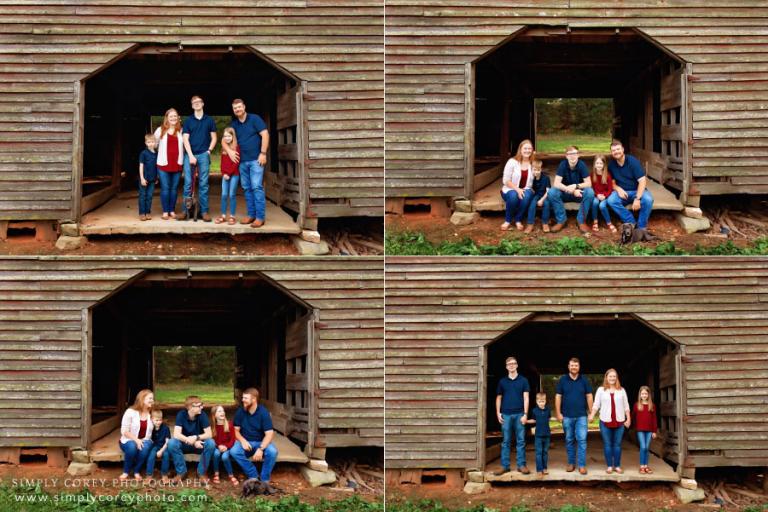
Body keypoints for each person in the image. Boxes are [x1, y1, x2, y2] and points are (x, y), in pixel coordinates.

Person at [223, 99, 269, 228]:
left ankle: (260, 217)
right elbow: (223, 140)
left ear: (244, 106)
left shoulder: (255, 119)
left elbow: (265, 134)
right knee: (247, 188)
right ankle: (251, 215)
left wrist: (263, 153)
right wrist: (229, 151)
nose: (237, 109)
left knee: (256, 187)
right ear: (233, 110)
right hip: (241, 162)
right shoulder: (234, 125)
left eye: (239, 107)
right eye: (235, 108)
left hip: (256, 160)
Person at [229, 387, 279, 489]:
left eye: (246, 398)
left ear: (254, 399)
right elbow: (235, 430)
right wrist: (242, 441)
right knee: (234, 451)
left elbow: (269, 434)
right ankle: (253, 476)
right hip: (246, 442)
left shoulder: (263, 412)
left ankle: (264, 480)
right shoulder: (240, 411)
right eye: (243, 397)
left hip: (260, 442)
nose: (242, 400)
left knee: (272, 452)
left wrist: (261, 449)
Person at [178, 95, 217, 222]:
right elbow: (185, 139)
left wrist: (209, 151)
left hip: (203, 155)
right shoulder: (188, 121)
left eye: (198, 102)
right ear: (192, 105)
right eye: (194, 102)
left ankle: (204, 211)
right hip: (190, 155)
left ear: (203, 103)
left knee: (204, 184)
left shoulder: (209, 120)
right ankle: (185, 211)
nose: (196, 104)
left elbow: (214, 138)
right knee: (188, 183)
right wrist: (190, 155)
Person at [606, 140, 654, 237]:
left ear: (623, 149)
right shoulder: (611, 165)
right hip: (623, 192)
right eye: (613, 150)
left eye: (618, 149)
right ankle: (631, 222)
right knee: (611, 200)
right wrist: (618, 189)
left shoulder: (632, 162)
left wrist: (637, 198)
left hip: (636, 190)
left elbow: (642, 181)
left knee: (648, 199)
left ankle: (641, 227)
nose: (616, 152)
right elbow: (612, 183)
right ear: (611, 153)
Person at [555, 357, 594, 475]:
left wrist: (591, 413)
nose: (574, 367)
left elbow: (589, 396)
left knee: (582, 440)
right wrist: (558, 413)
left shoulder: (584, 380)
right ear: (568, 366)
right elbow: (558, 396)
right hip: (567, 416)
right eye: (572, 365)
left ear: (579, 367)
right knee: (569, 440)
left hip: (582, 416)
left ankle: (582, 466)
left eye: (576, 365)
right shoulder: (562, 380)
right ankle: (571, 463)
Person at [493, 356, 531, 475]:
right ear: (506, 366)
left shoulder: (523, 380)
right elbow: (498, 398)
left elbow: (526, 398)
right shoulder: (502, 381)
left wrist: (525, 414)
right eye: (509, 364)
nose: (512, 365)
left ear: (517, 365)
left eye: (513, 363)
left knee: (521, 441)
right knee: (506, 441)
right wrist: (498, 413)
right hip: (506, 415)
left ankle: (521, 465)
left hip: (520, 414)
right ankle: (505, 466)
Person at [167, 395, 216, 484]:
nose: (202, 407)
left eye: (202, 404)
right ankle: (181, 472)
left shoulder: (202, 415)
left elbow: (209, 434)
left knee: (211, 443)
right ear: (191, 407)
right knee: (172, 443)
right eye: (199, 405)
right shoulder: (181, 414)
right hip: (185, 444)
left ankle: (201, 472)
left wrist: (196, 438)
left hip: (199, 444)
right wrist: (191, 441)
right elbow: (176, 434)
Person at [589, 369, 631, 474]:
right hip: (605, 421)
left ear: (616, 378)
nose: (612, 378)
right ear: (606, 378)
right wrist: (592, 415)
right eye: (610, 376)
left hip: (619, 421)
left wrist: (628, 418)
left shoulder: (622, 390)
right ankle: (609, 466)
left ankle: (617, 465)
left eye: (614, 376)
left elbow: (626, 406)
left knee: (617, 445)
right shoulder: (600, 390)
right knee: (607, 444)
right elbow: (596, 404)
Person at [548, 146, 595, 233]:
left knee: (590, 192)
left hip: (579, 194)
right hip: (566, 193)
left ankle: (581, 221)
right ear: (566, 156)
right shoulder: (563, 164)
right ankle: (561, 220)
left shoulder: (581, 165)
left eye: (575, 154)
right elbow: (556, 183)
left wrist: (576, 186)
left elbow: (588, 183)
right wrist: (571, 190)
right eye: (570, 154)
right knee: (552, 192)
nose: (572, 156)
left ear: (578, 155)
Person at [154, 108, 184, 220]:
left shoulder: (181, 130)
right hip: (163, 164)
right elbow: (155, 145)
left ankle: (172, 210)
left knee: (174, 188)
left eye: (175, 116)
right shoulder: (160, 130)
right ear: (167, 118)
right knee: (165, 188)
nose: (173, 118)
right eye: (171, 116)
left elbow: (186, 145)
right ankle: (165, 211)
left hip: (177, 164)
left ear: (178, 118)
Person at [118, 389, 154, 481]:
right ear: (142, 399)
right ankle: (126, 472)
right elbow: (124, 431)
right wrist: (136, 440)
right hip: (128, 439)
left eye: (152, 398)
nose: (152, 401)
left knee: (144, 448)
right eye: (150, 398)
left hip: (146, 439)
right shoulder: (130, 412)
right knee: (132, 447)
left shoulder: (152, 413)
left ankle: (136, 471)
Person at [500, 140, 535, 231]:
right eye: (525, 148)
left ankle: (518, 219)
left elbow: (538, 177)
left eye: (529, 148)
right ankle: (507, 220)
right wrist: (517, 189)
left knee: (526, 196)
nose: (527, 150)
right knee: (513, 196)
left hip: (527, 188)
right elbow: (506, 180)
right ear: (520, 149)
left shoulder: (533, 163)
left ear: (532, 150)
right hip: (510, 188)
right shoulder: (512, 162)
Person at [210, 404, 239, 486]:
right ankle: (216, 473)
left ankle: (231, 475)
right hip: (218, 446)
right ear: (214, 415)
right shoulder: (213, 427)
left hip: (228, 446)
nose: (222, 412)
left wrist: (226, 447)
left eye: (223, 410)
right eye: (219, 411)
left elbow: (233, 439)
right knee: (216, 454)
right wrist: (218, 446)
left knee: (225, 457)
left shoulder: (229, 424)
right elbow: (214, 439)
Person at [216, 127, 240, 225]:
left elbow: (236, 163)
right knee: (224, 195)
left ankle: (232, 216)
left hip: (234, 174)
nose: (227, 138)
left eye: (229, 136)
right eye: (225, 136)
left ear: (233, 136)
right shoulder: (224, 148)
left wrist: (228, 174)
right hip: (225, 175)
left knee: (232, 194)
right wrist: (223, 173)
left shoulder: (237, 147)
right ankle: (223, 215)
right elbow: (222, 163)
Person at [526, 392, 551, 477]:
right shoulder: (534, 411)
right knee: (538, 452)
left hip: (547, 434)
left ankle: (545, 468)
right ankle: (539, 470)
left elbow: (549, 418)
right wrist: (526, 421)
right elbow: (534, 420)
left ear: (545, 401)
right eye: (540, 401)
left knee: (545, 452)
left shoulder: (548, 410)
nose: (541, 403)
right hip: (538, 435)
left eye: (543, 401)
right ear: (537, 401)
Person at [633, 386, 658, 474]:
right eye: (642, 393)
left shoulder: (652, 405)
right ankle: (641, 466)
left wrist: (654, 431)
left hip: (649, 430)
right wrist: (634, 427)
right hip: (640, 430)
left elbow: (654, 419)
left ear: (648, 395)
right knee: (643, 447)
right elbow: (633, 418)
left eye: (646, 394)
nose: (644, 395)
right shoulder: (637, 405)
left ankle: (646, 465)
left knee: (647, 448)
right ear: (640, 395)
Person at [589, 155, 615, 233]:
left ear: (604, 165)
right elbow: (591, 188)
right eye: (597, 163)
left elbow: (610, 189)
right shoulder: (592, 175)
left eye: (601, 163)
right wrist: (597, 195)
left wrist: (605, 196)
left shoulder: (607, 175)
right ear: (594, 164)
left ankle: (609, 222)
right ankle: (595, 221)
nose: (599, 165)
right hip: (596, 195)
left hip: (605, 196)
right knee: (595, 202)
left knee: (602, 206)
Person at [145, 409, 171, 483]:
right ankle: (149, 475)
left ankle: (164, 475)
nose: (158, 422)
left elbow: (167, 442)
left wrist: (161, 451)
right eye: (156, 420)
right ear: (151, 419)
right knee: (151, 455)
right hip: (155, 446)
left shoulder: (165, 428)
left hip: (164, 446)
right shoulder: (151, 428)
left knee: (166, 455)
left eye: (160, 420)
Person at [525, 159, 551, 233]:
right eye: (534, 170)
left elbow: (548, 191)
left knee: (546, 204)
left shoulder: (546, 178)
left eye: (538, 170)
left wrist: (542, 200)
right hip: (536, 195)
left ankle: (545, 223)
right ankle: (530, 224)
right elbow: (529, 187)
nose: (536, 172)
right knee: (532, 204)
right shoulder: (531, 178)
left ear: (541, 169)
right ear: (531, 170)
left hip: (544, 195)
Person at [138, 134, 158, 221]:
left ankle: (148, 212)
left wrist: (157, 177)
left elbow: (156, 166)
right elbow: (141, 166)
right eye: (149, 142)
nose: (151, 144)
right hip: (144, 178)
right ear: (145, 143)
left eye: (152, 142)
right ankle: (142, 213)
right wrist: (142, 178)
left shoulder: (156, 154)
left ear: (155, 143)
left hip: (153, 179)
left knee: (150, 196)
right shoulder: (143, 153)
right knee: (143, 195)